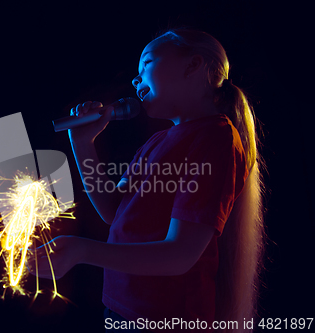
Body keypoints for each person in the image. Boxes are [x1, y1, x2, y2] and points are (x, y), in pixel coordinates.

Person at [31, 28, 266, 333]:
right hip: (122, 310)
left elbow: (180, 254)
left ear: (193, 65)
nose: (135, 79)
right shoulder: (157, 141)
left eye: (147, 63)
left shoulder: (216, 138)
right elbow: (115, 213)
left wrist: (82, 251)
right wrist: (83, 143)